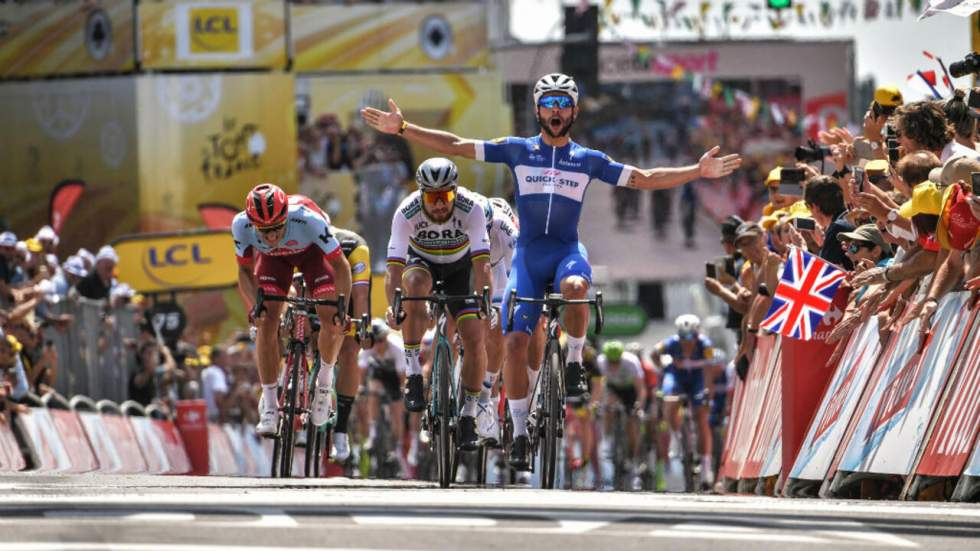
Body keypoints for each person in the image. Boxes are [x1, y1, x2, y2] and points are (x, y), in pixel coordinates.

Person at [362, 72, 741, 469]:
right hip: (527, 255)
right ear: (538, 110)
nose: (556, 111)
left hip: (565, 252)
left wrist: (696, 171)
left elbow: (644, 178)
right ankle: (522, 433)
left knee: (577, 285)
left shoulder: (588, 159)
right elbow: (456, 146)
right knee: (512, 344)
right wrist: (403, 128)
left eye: (563, 104)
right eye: (549, 103)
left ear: (574, 110)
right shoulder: (517, 150)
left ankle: (574, 361)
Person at [383, 157, 492, 451]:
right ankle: (414, 375)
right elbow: (393, 269)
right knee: (414, 287)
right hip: (423, 263)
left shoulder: (472, 208)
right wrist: (395, 306)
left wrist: (485, 299)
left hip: (462, 268)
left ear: (455, 192)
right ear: (421, 195)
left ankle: (469, 414)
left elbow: (483, 265)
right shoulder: (406, 212)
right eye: (432, 197)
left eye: (445, 196)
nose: (440, 204)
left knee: (473, 335)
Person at [232, 183, 352, 436]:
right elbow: (243, 272)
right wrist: (257, 305)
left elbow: (340, 267)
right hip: (273, 262)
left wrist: (341, 305)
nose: (273, 237)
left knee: (332, 320)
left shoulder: (309, 220)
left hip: (313, 256)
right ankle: (270, 406)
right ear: (252, 224)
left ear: (286, 217)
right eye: (264, 231)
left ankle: (323, 383)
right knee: (266, 322)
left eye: (277, 228)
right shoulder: (240, 225)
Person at [469, 193, 518, 444]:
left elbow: (516, 273)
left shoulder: (503, 226)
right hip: (466, 266)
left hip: (498, 268)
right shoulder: (462, 221)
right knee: (450, 316)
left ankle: (487, 395)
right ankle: (440, 390)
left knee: (495, 326)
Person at [652, 314, 716, 488]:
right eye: (683, 337)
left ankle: (705, 466)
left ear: (697, 334)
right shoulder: (671, 342)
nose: (686, 341)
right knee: (669, 398)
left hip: (697, 379)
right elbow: (653, 353)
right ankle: (675, 434)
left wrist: (708, 390)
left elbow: (710, 369)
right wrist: (661, 368)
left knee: (701, 418)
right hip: (677, 376)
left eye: (690, 337)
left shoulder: (705, 345)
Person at [328, 225, 373, 462]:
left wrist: (362, 328)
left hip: (353, 292)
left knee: (349, 350)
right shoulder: (305, 245)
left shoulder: (355, 247)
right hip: (320, 285)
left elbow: (361, 296)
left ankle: (341, 430)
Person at [357, 319, 406, 467]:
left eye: (382, 340)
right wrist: (360, 387)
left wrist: (402, 393)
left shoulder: (397, 347)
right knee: (373, 388)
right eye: (376, 341)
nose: (379, 344)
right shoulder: (367, 348)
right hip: (377, 372)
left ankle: (396, 446)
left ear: (386, 338)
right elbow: (362, 371)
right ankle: (373, 433)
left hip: (394, 376)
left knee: (397, 411)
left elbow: (402, 377)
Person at [595, 340, 646, 475]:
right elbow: (598, 384)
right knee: (608, 407)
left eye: (616, 362)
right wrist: (598, 403)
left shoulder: (631, 362)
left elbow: (641, 388)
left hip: (630, 390)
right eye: (610, 362)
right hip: (613, 389)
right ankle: (607, 439)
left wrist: (638, 405)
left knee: (632, 422)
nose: (613, 365)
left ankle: (632, 457)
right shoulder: (600, 361)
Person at [804, 175, 855, 270]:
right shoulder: (850, 217)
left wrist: (802, 247)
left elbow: (824, 272)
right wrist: (823, 243)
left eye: (808, 206)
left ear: (815, 207)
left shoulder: (837, 228)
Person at [200, 347, 229, 422]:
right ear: (216, 359)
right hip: (214, 418)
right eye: (224, 357)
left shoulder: (207, 371)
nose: (227, 360)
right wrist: (223, 418)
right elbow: (218, 398)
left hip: (206, 415)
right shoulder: (216, 372)